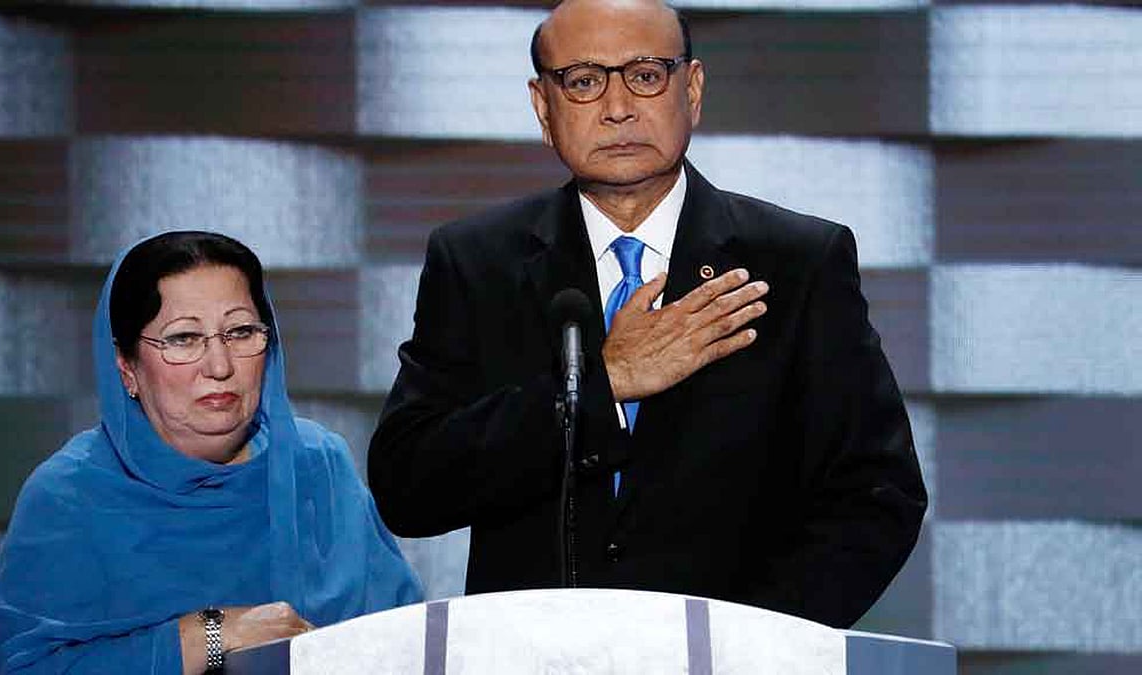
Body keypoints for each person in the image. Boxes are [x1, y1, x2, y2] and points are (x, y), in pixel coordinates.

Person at [367, 0, 926, 629]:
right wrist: (601, 386)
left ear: (691, 89)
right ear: (542, 108)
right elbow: (409, 487)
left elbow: (877, 494)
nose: (617, 107)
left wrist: (754, 644)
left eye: (645, 74)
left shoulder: (797, 262)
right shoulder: (475, 261)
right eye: (583, 81)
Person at [0, 231, 422, 674]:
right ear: (127, 369)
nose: (219, 366)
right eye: (183, 338)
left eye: (240, 332)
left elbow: (404, 639)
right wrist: (209, 635)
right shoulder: (69, 496)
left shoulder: (318, 464)